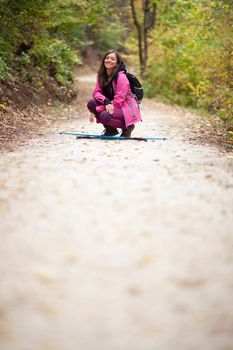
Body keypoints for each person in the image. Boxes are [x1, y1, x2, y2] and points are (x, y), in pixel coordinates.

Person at [87, 50, 142, 137]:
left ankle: (128, 127)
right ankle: (111, 130)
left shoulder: (121, 77)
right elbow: (96, 92)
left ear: (117, 63)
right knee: (91, 103)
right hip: (111, 104)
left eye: (112, 59)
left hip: (125, 107)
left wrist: (97, 110)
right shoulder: (102, 75)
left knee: (103, 116)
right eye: (107, 58)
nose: (109, 60)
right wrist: (105, 101)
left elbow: (118, 101)